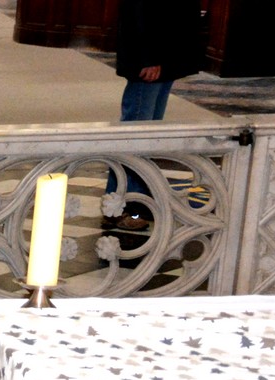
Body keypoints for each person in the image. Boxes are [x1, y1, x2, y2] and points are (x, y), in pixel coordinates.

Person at [109, 0, 205, 229]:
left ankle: (133, 200)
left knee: (148, 135)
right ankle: (124, 205)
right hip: (152, 57)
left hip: (165, 55)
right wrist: (149, 58)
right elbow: (140, 10)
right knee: (135, 135)